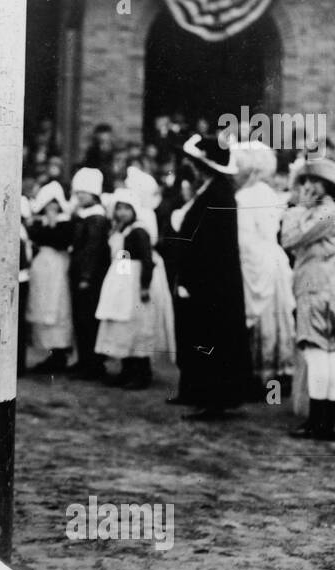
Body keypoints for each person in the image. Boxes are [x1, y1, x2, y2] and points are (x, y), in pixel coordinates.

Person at [166, 134, 250, 419]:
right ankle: (201, 393)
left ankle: (214, 400)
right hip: (207, 281)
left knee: (212, 338)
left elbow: (210, 246)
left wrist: (192, 280)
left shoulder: (218, 195)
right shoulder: (210, 191)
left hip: (212, 283)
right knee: (201, 337)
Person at [280, 157, 335, 440]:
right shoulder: (332, 212)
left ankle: (320, 420)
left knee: (316, 353)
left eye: (312, 182)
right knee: (327, 353)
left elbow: (289, 238)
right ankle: (327, 419)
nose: (306, 187)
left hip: (315, 287)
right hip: (330, 287)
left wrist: (300, 208)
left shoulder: (323, 213)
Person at [94, 189, 174, 389]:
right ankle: (126, 369)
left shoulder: (139, 231)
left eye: (126, 209)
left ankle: (141, 373)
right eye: (119, 208)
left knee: (139, 327)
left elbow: (147, 260)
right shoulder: (120, 230)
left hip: (136, 282)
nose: (122, 213)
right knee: (123, 328)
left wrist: (144, 285)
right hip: (122, 281)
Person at [233, 141, 296, 394]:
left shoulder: (243, 197)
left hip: (255, 261)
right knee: (274, 318)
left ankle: (256, 377)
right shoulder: (268, 193)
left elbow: (244, 238)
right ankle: (276, 376)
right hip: (273, 259)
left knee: (259, 319)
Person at [25, 179, 74, 374]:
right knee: (42, 305)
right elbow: (35, 236)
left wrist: (53, 224)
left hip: (57, 268)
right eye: (48, 205)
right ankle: (50, 352)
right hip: (42, 270)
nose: (51, 209)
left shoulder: (65, 223)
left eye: (55, 205)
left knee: (59, 306)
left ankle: (61, 352)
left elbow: (61, 241)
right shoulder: (36, 222)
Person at [67, 166, 111, 379]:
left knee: (88, 320)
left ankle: (93, 364)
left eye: (82, 193)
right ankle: (84, 359)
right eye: (77, 193)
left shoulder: (96, 219)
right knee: (80, 320)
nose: (79, 197)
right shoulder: (84, 216)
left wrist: (85, 276)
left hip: (90, 279)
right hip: (80, 275)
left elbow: (92, 251)